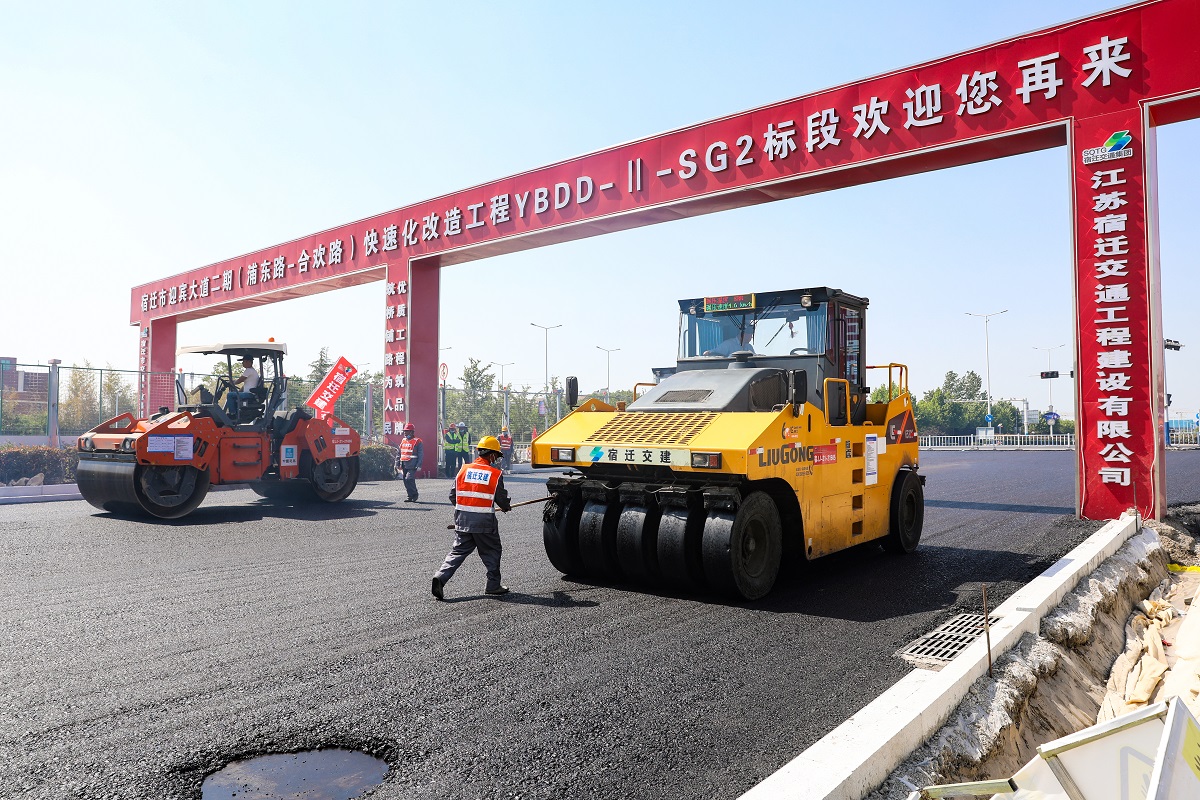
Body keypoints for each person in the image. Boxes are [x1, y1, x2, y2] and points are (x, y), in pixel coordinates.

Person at [432, 435, 511, 599]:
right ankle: (493, 585)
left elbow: (453, 496)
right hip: (484, 523)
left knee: (458, 552)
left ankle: (440, 576)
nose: (496, 459)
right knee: (492, 551)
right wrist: (505, 507)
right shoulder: (495, 474)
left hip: (462, 520)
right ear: (491, 455)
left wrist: (467, 509)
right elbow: (501, 499)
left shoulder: (463, 469)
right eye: (496, 456)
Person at [398, 423, 423, 502]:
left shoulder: (418, 441)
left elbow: (420, 454)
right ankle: (410, 496)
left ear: (412, 432)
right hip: (404, 464)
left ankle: (415, 494)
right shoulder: (403, 440)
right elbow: (399, 453)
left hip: (412, 464)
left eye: (407, 431)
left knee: (409, 479)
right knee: (405, 480)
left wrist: (419, 465)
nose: (405, 433)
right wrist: (397, 463)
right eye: (404, 431)